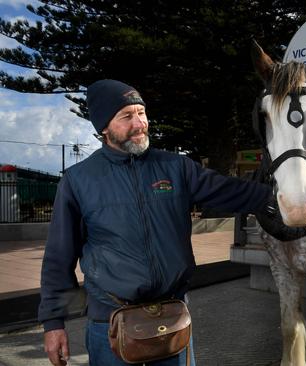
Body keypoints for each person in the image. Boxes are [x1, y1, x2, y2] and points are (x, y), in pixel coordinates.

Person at [38, 79, 272, 366]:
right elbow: (58, 260)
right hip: (110, 323)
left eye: (141, 113)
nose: (139, 123)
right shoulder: (77, 181)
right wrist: (53, 323)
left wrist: (285, 198)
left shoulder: (177, 167)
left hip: (172, 319)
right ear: (103, 128)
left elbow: (232, 192)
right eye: (127, 116)